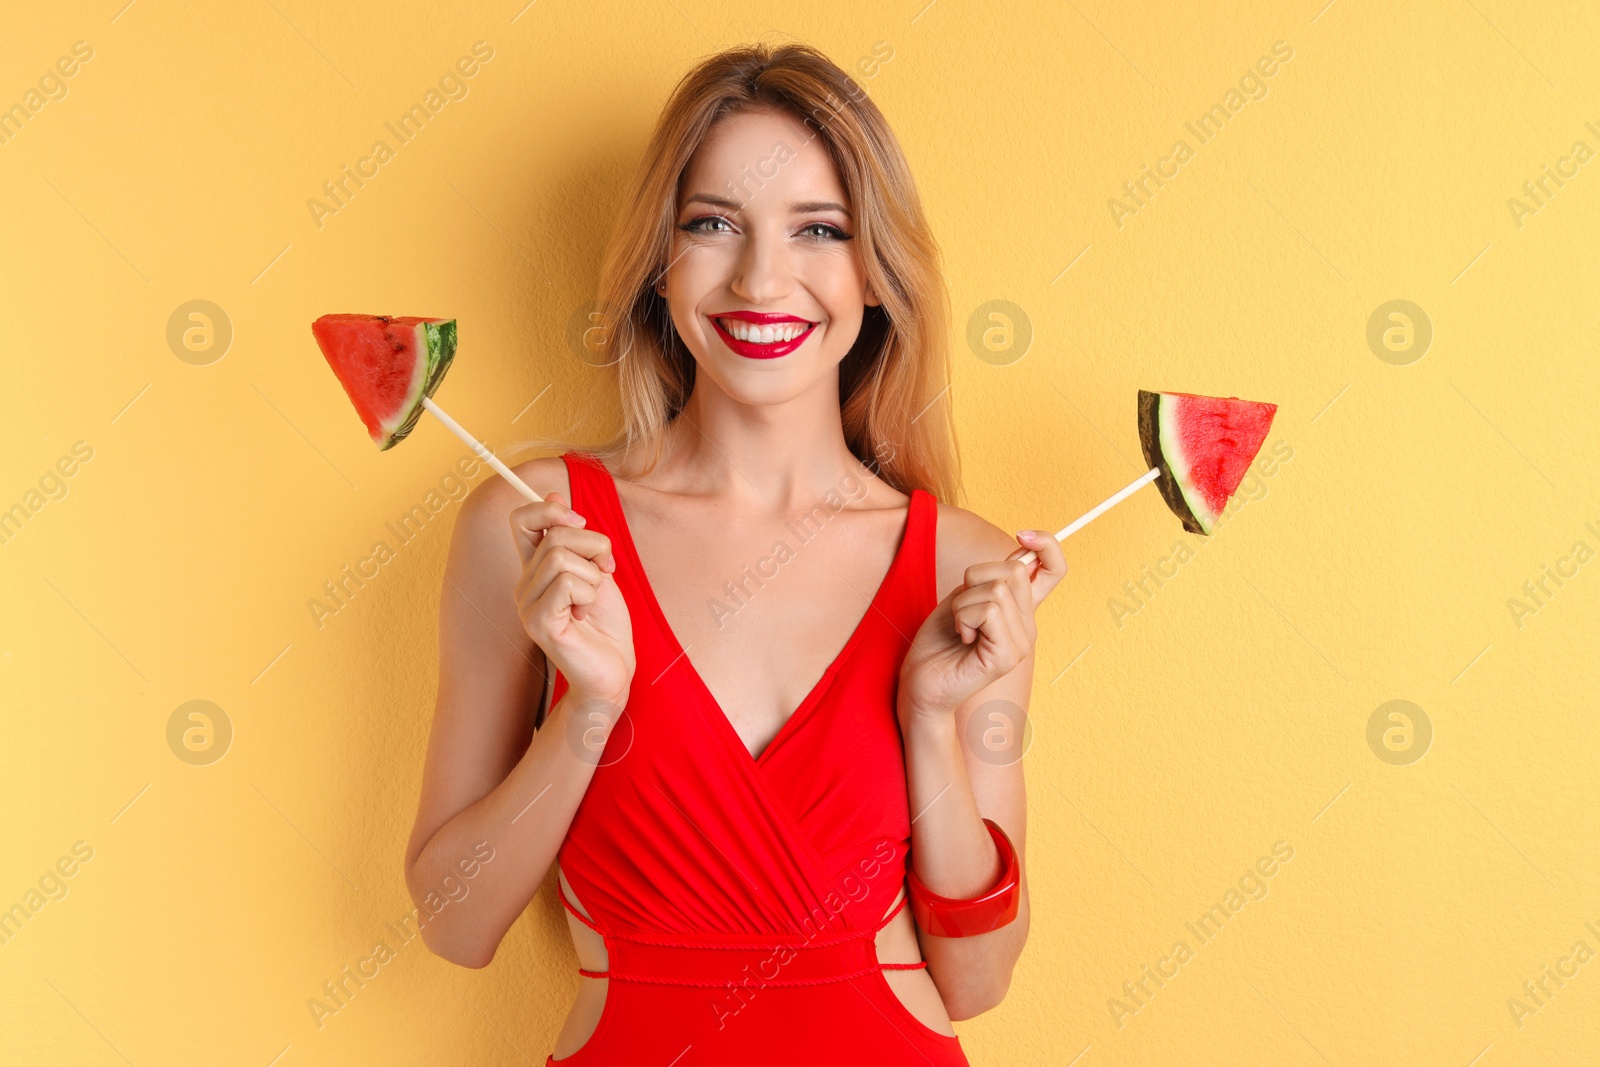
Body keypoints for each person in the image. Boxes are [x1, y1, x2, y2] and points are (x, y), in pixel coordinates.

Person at [403, 41, 1067, 1065]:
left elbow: (976, 979)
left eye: (820, 230)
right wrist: (584, 716)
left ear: (875, 273)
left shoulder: (960, 569)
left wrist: (929, 719)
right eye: (713, 224)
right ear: (658, 264)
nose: (762, 277)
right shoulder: (534, 527)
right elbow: (454, 923)